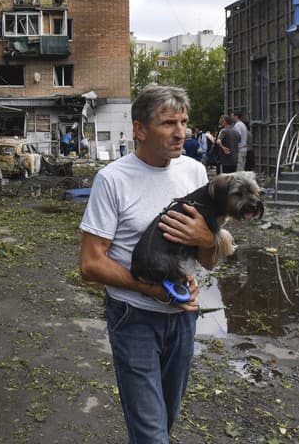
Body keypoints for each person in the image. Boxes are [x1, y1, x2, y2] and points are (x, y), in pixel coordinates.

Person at [79, 84, 216, 443]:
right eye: (169, 123)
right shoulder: (113, 179)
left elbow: (210, 261)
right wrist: (152, 290)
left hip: (183, 316)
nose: (181, 133)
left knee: (165, 420)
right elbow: (91, 265)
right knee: (152, 434)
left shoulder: (195, 173)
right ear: (140, 129)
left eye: (184, 122)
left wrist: (207, 239)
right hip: (134, 317)